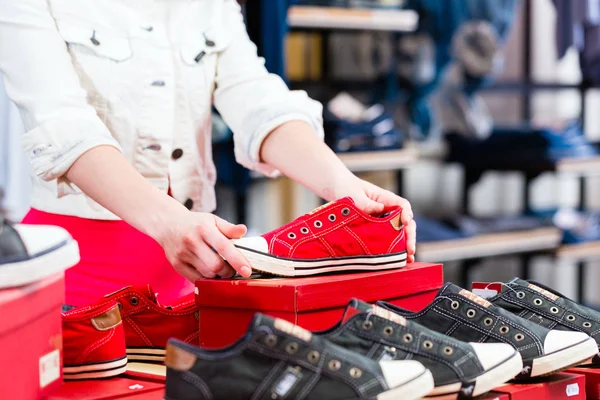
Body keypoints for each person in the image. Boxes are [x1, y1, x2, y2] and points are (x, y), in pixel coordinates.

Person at [0, 0, 416, 306]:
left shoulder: (208, 5)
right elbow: (62, 125)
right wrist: (169, 223)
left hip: (190, 283)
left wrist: (346, 187)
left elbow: (258, 101)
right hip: (75, 281)